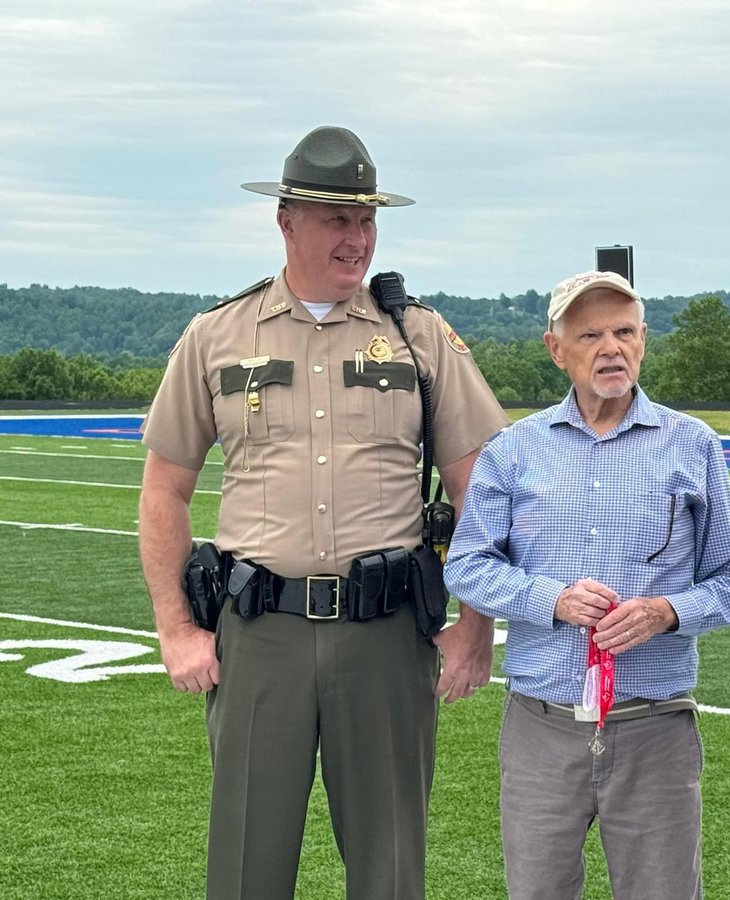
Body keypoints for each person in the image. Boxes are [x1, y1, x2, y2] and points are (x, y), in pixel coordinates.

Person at [137, 125, 509, 900]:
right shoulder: (216, 336)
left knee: (390, 868)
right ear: (287, 220)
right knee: (246, 867)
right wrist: (176, 628)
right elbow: (164, 489)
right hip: (257, 632)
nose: (358, 237)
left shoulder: (419, 336)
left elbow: (482, 487)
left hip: (383, 636)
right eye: (338, 218)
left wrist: (478, 626)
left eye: (367, 219)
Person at [443, 270, 730, 900]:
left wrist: (666, 612)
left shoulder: (692, 445)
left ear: (644, 340)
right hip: (542, 726)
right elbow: (467, 565)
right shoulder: (513, 450)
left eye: (624, 332)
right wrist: (550, 599)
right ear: (557, 350)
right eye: (590, 335)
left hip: (655, 728)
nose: (611, 349)